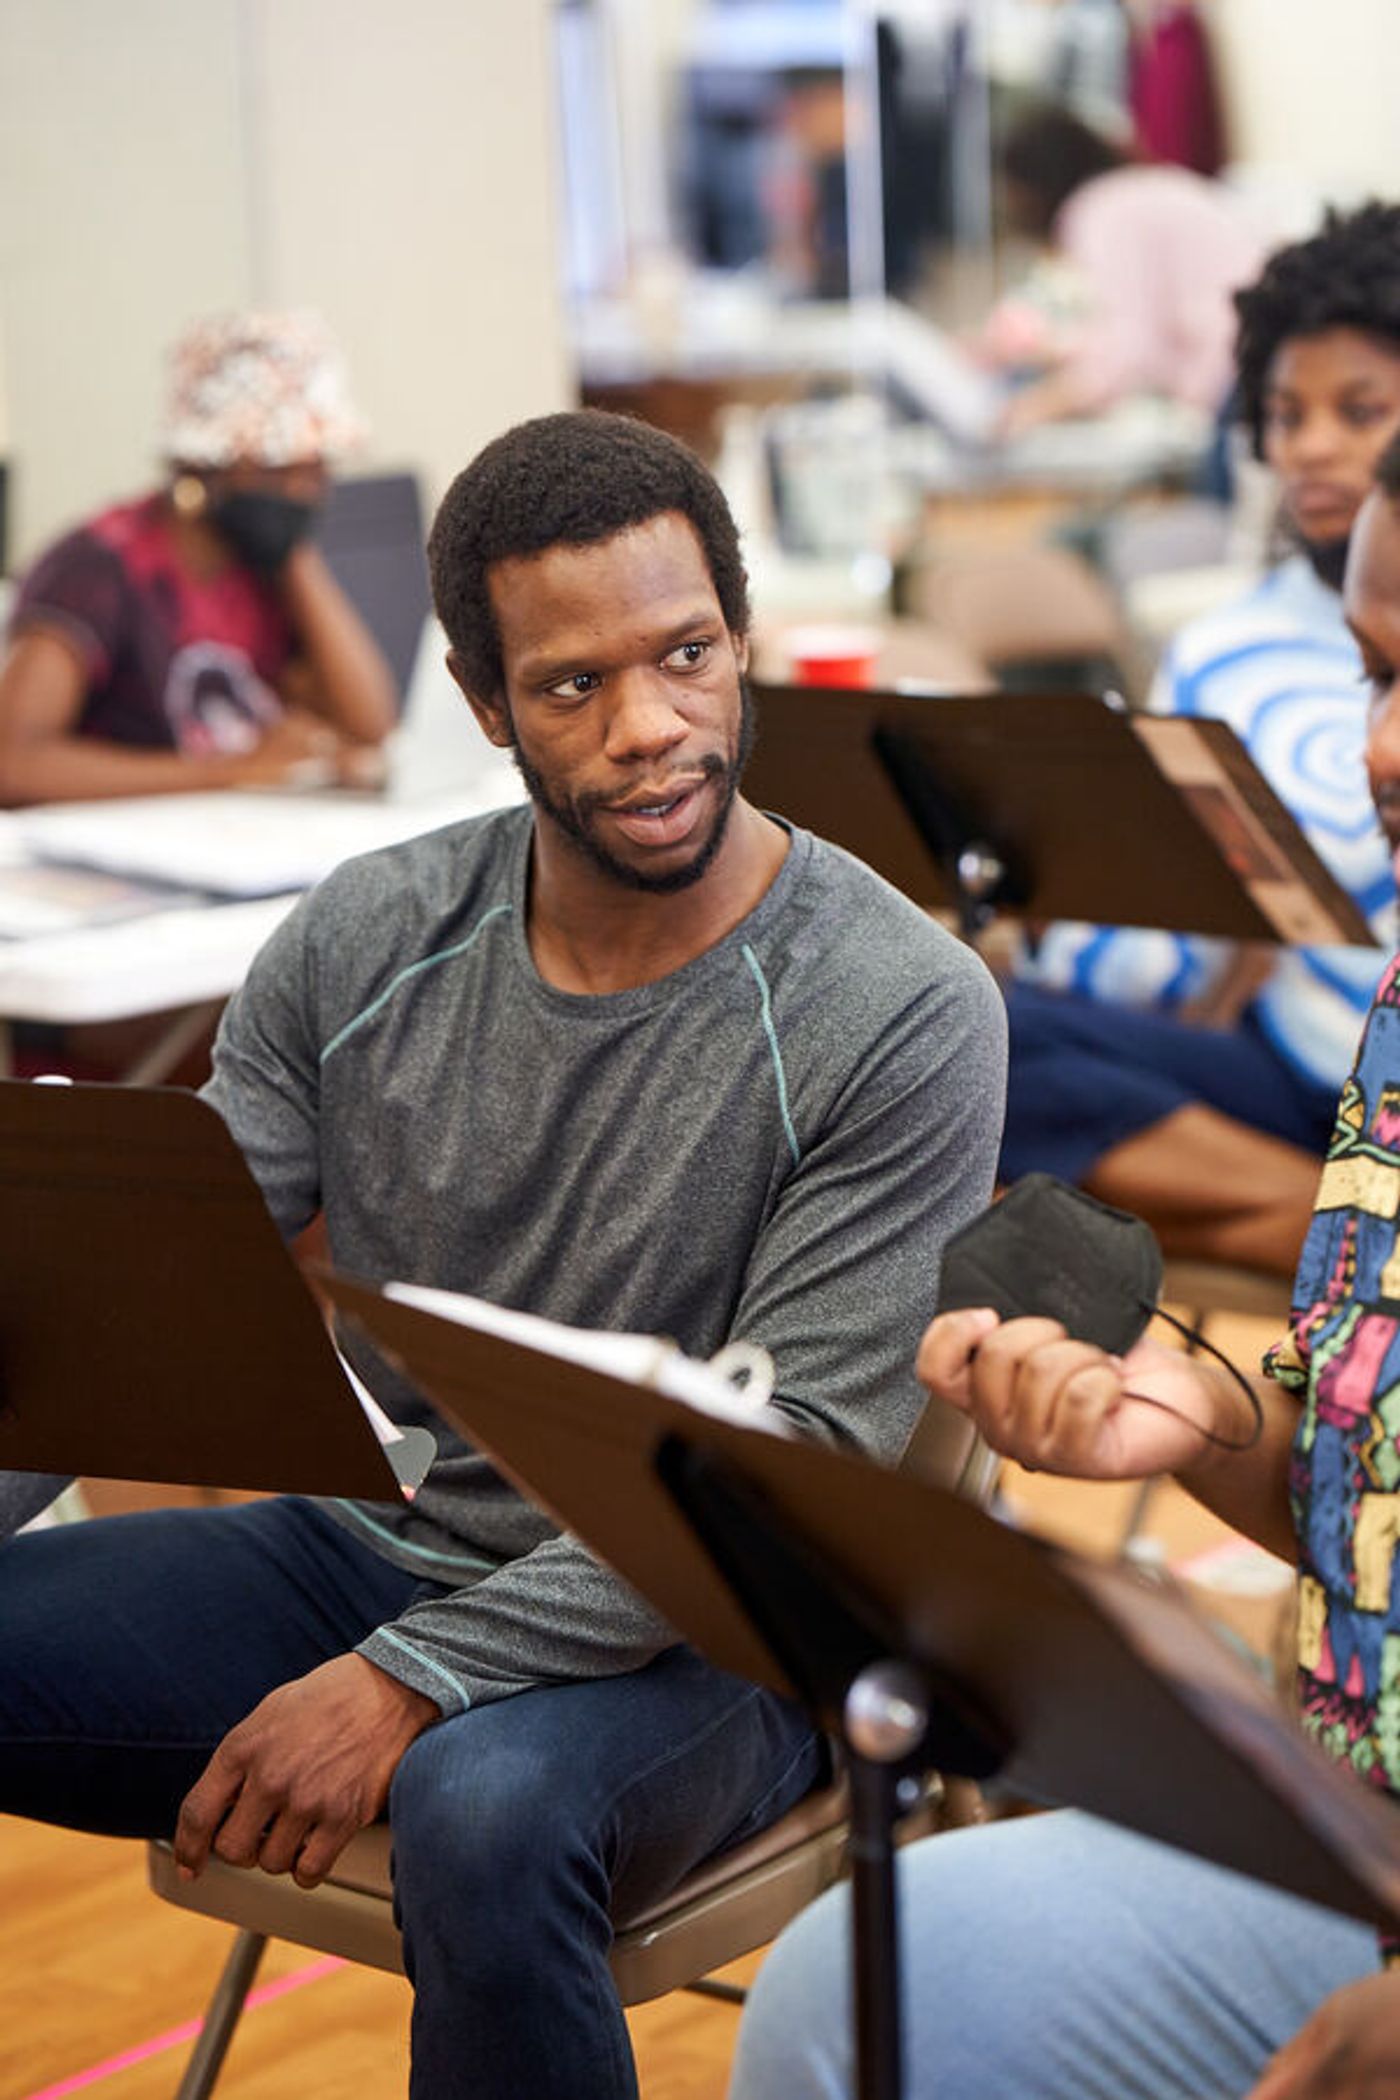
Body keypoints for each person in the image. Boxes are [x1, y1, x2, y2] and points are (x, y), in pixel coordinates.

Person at [0, 408, 1007, 2100]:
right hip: (412, 1546)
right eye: (571, 687)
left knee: (483, 1805)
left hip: (736, 1631)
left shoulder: (898, 1006)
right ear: (483, 705)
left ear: (741, 640)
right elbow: (117, 1314)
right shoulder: (370, 934)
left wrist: (414, 1681)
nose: (652, 729)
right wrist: (410, 1645)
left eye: (689, 656)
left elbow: (791, 1474)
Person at [726, 437, 1400, 2100]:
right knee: (858, 1982)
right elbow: (1350, 1483)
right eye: (1380, 671)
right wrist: (1208, 1430)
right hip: (1359, 1833)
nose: (1382, 751)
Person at [1005, 203, 1400, 1276]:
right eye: (1283, 413)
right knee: (957, 1034)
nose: (1310, 448)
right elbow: (1150, 954)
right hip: (1290, 1075)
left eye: (1358, 411)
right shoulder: (1220, 654)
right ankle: (1340, 1226)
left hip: (1369, 1080)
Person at [0, 309, 397, 806]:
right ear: (201, 462)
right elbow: (13, 765)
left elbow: (370, 728)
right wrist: (234, 771)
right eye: (279, 466)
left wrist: (294, 555)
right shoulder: (100, 567)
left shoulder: (263, 567)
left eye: (316, 468)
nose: (303, 490)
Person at [985, 101, 1267, 437]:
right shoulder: (1138, 190)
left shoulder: (1100, 210)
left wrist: (1033, 408)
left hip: (1230, 380)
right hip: (1245, 364)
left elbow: (1129, 348)